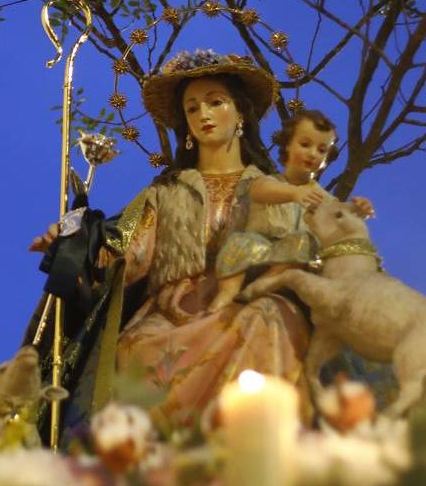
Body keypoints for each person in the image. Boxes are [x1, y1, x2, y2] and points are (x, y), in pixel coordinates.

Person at [30, 49, 315, 433]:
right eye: (193, 109)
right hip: (172, 311)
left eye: (216, 102)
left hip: (249, 302)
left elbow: (301, 250)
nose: (204, 116)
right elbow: (124, 254)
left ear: (241, 113)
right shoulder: (165, 192)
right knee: (135, 349)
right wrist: (75, 242)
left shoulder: (275, 190)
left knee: (269, 318)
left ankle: (254, 439)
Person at [208, 108, 375, 314]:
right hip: (258, 253)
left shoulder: (325, 199)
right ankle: (228, 292)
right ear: (287, 144)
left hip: (290, 266)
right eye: (305, 144)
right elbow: (261, 191)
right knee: (241, 243)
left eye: (322, 149)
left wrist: (358, 212)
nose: (313, 154)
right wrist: (293, 193)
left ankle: (267, 284)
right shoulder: (268, 181)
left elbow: (340, 218)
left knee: (304, 241)